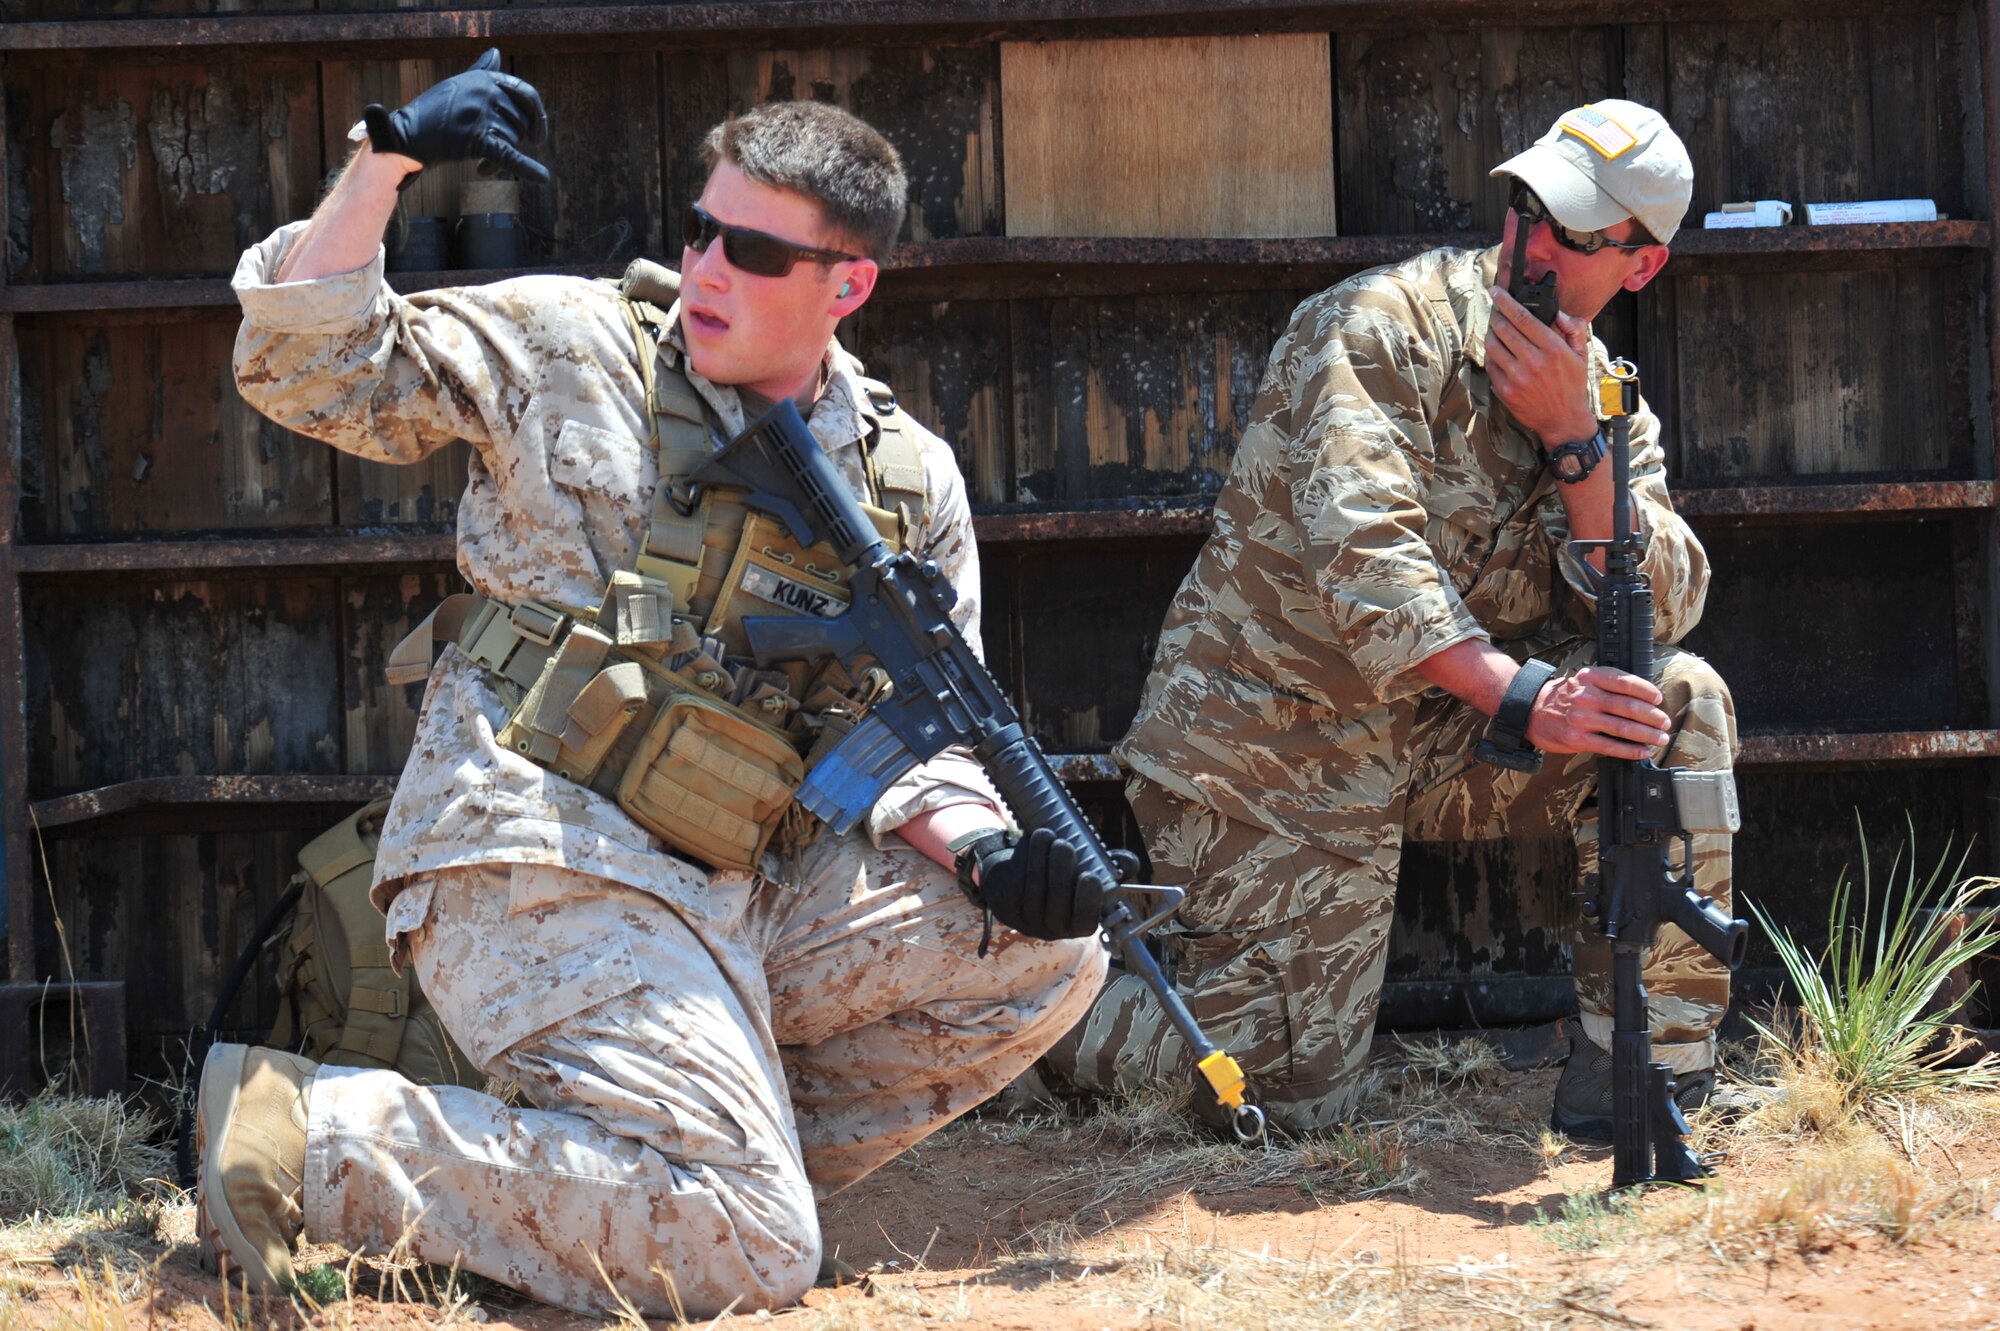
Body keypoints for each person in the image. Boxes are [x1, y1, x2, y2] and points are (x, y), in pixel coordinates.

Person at [198, 55, 1108, 1317]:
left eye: (754, 251)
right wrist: (385, 156)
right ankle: (309, 1135)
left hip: (735, 878)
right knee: (760, 1247)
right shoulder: (573, 342)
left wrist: (991, 856)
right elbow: (309, 367)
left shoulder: (907, 479)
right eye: (700, 231)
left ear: (848, 283)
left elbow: (912, 738)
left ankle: (642, 1196)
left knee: (1047, 949)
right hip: (534, 849)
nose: (708, 269)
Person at [1042, 100, 1736, 1139]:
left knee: (1675, 701)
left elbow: (1669, 596)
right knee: (1285, 1097)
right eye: (1527, 205)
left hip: (1444, 739)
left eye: (1574, 231)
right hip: (1269, 742)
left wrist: (1576, 445)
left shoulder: (1600, 396)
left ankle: (1646, 1073)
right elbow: (1366, 563)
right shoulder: (1375, 325)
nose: (1533, 242)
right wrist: (1532, 699)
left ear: (1641, 265)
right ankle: (1017, 1009)